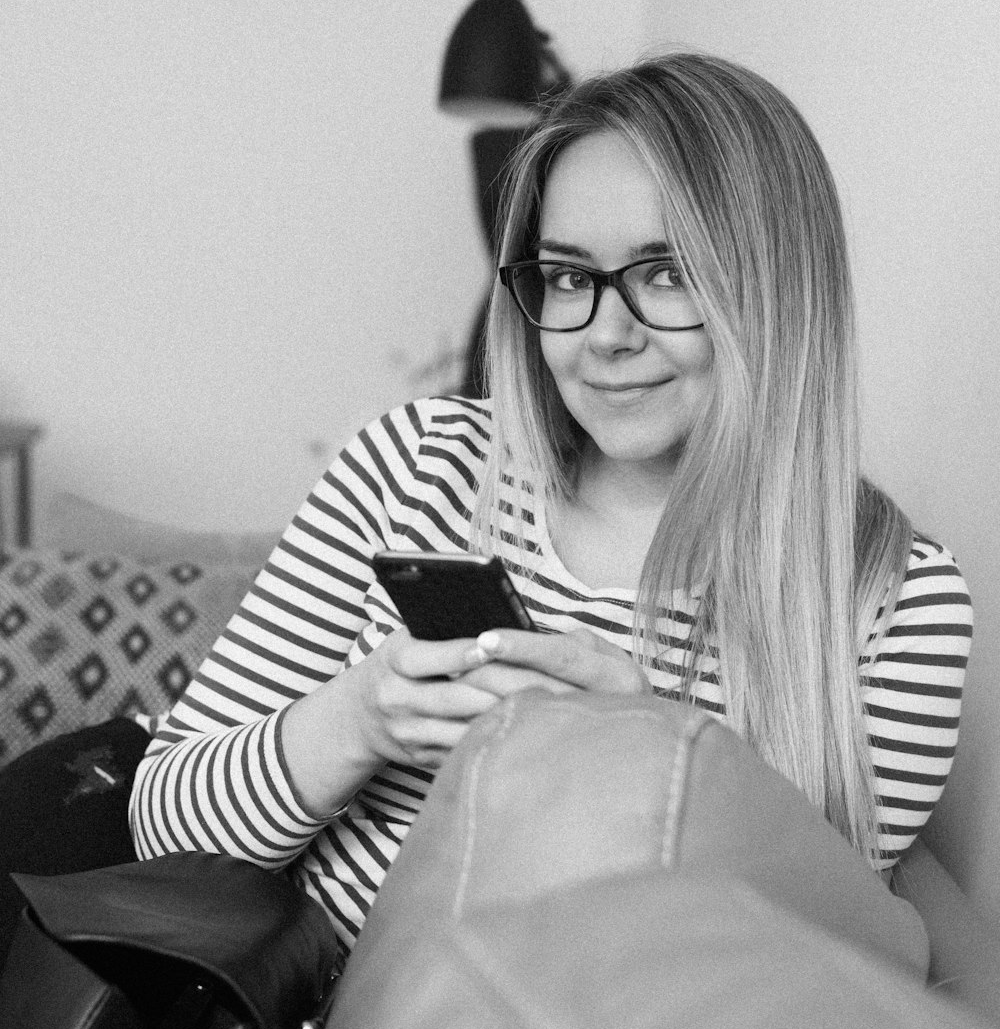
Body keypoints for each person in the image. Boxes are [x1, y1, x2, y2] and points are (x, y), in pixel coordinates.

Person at [128, 53, 973, 968]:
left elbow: (841, 979)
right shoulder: (420, 465)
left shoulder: (897, 604)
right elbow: (161, 834)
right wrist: (362, 717)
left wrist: (662, 763)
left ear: (777, 287)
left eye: (667, 273)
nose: (606, 335)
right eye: (569, 278)